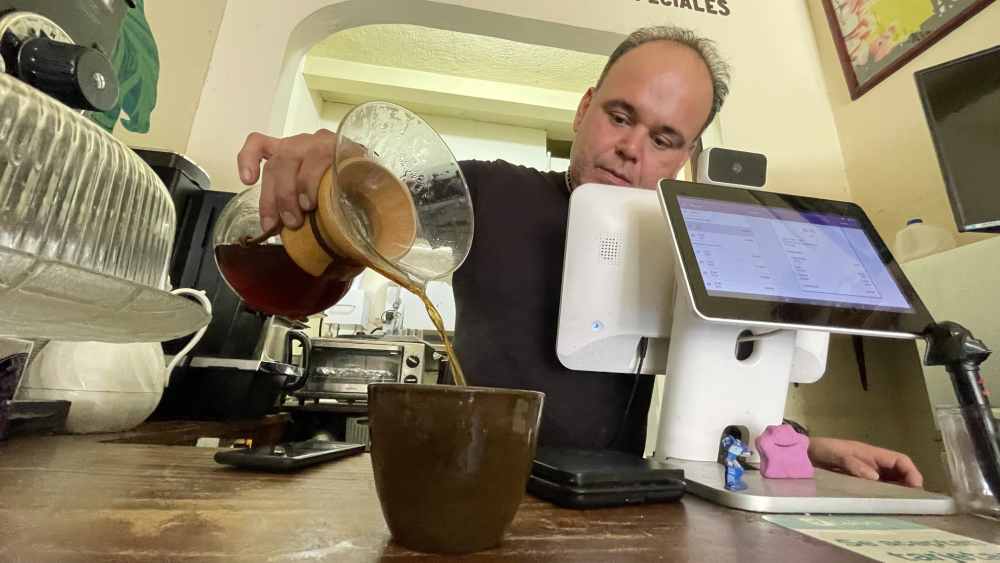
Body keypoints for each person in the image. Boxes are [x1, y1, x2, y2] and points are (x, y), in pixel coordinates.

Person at [236, 26, 924, 488]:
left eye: (664, 137)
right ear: (584, 110)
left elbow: (723, 382)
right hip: (458, 488)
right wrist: (333, 170)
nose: (632, 149)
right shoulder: (483, 193)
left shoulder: (697, 248)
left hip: (614, 512)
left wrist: (803, 446)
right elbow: (363, 205)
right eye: (620, 116)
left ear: (686, 158)